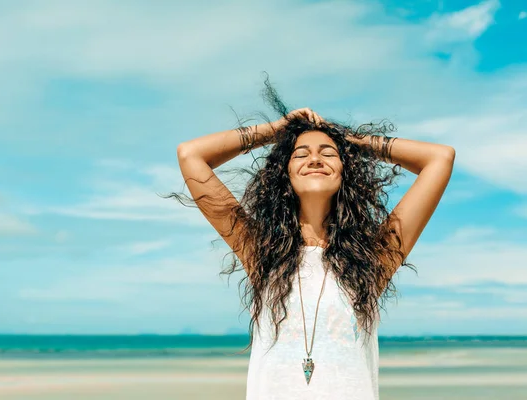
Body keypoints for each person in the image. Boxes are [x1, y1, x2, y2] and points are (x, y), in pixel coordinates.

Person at [168, 78, 455, 399]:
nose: (315, 159)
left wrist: (347, 139)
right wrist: (278, 129)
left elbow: (439, 158)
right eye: (300, 154)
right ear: (284, 174)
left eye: (328, 154)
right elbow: (191, 155)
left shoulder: (374, 258)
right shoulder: (261, 252)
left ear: (345, 172)